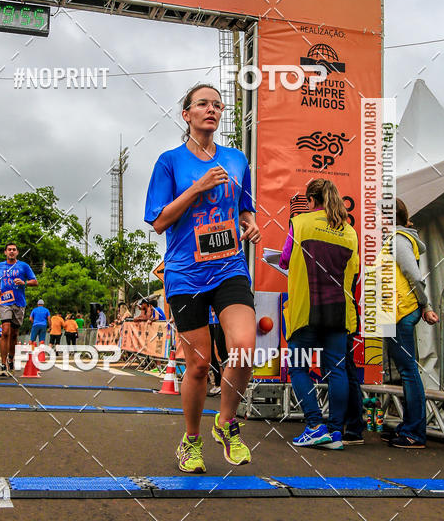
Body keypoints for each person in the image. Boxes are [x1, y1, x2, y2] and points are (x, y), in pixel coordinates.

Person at [145, 83, 261, 473]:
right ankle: (191, 440)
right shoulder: (169, 162)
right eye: (202, 104)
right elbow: (159, 221)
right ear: (187, 115)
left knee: (244, 347)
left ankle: (226, 423)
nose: (211, 109)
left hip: (229, 266)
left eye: (216, 104)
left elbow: (244, 208)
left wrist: (250, 223)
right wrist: (197, 187)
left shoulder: (237, 159)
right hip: (186, 272)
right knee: (197, 365)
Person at [280, 178, 359, 450]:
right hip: (338, 310)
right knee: (337, 370)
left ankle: (314, 425)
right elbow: (355, 271)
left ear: (311, 201)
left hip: (306, 310)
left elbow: (284, 260)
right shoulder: (349, 231)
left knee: (298, 367)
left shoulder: (300, 223)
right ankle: (336, 433)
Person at [381, 198, 439, 449]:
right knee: (405, 372)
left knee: (408, 372)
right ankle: (409, 426)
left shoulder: (398, 240)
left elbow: (414, 276)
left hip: (400, 311)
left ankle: (415, 431)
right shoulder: (397, 239)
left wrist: (424, 304)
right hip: (394, 312)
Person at [0, 242, 38, 378]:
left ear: (17, 252)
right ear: (5, 252)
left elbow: (35, 281)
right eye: (9, 250)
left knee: (14, 334)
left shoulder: (23, 266)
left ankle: (11, 359)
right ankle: (2, 365)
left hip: (19, 303)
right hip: (5, 301)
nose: (11, 252)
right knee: (5, 331)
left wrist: (24, 282)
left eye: (14, 250)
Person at [208, 306, 228, 397]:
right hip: (211, 321)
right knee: (212, 353)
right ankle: (219, 383)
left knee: (223, 353)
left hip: (220, 320)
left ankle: (227, 384)